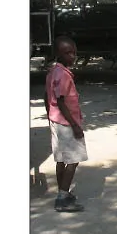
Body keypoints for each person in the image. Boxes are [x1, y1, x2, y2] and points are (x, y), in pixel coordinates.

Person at [47, 36, 87, 213]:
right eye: (67, 53)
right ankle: (62, 198)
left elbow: (46, 95)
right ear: (58, 54)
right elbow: (62, 101)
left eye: (73, 52)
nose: (72, 56)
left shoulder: (53, 71)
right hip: (66, 123)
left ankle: (63, 192)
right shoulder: (62, 75)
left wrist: (50, 113)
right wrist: (75, 126)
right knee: (73, 160)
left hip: (56, 120)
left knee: (62, 159)